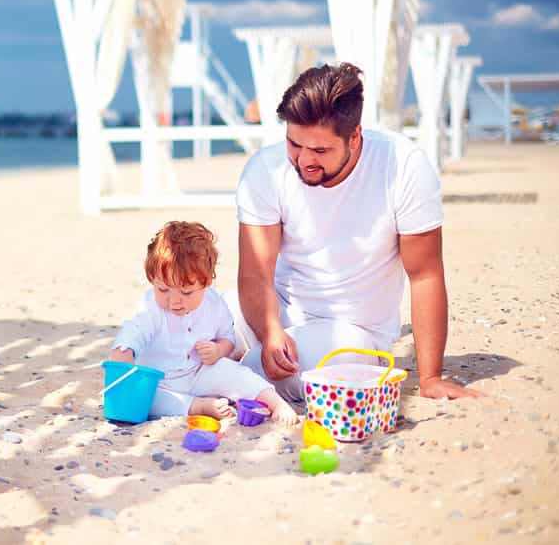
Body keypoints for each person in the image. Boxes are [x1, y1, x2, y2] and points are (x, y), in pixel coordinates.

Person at [233, 62, 482, 402]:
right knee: (184, 321)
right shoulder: (265, 168)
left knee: (247, 372)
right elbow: (255, 274)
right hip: (273, 312)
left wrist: (431, 378)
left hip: (352, 336)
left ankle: (225, 373)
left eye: (320, 150)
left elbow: (425, 275)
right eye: (294, 144)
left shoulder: (404, 168)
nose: (304, 160)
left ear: (355, 136)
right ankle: (224, 369)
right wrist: (270, 330)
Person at [108, 221, 299, 425]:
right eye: (163, 289)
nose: (174, 301)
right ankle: (199, 406)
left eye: (186, 292)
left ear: (206, 282)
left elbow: (228, 339)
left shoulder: (214, 304)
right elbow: (135, 329)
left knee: (234, 372)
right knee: (146, 398)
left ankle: (275, 402)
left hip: (199, 372)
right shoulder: (151, 308)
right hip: (160, 382)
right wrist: (124, 351)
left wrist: (218, 350)